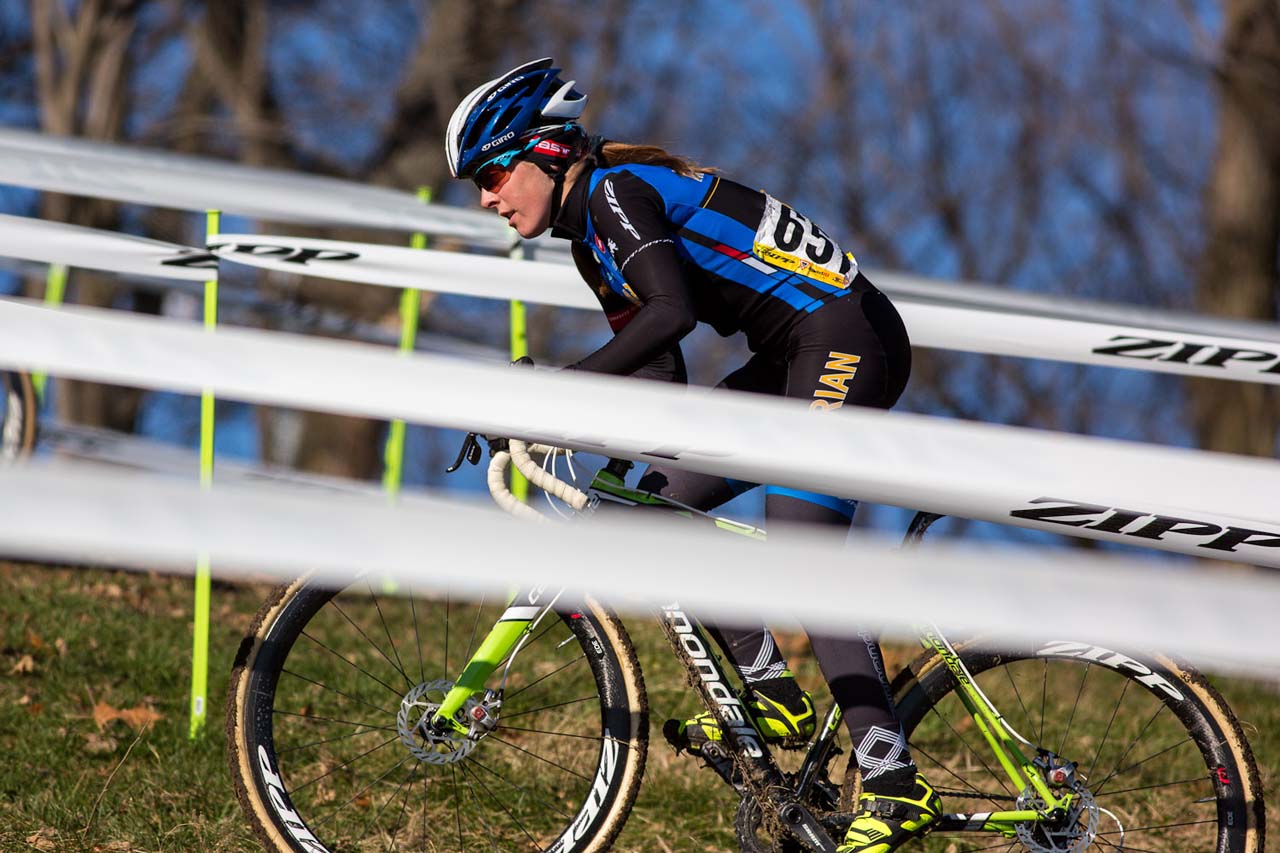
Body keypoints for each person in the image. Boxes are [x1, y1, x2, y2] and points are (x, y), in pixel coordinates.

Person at [446, 58, 939, 853]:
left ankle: (892, 779)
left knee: (805, 551)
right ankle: (775, 691)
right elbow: (660, 384)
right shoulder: (590, 244)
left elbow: (670, 314)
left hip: (847, 337)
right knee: (648, 497)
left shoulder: (613, 196)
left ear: (544, 152)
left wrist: (557, 393)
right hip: (791, 356)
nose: (488, 199)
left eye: (494, 173)